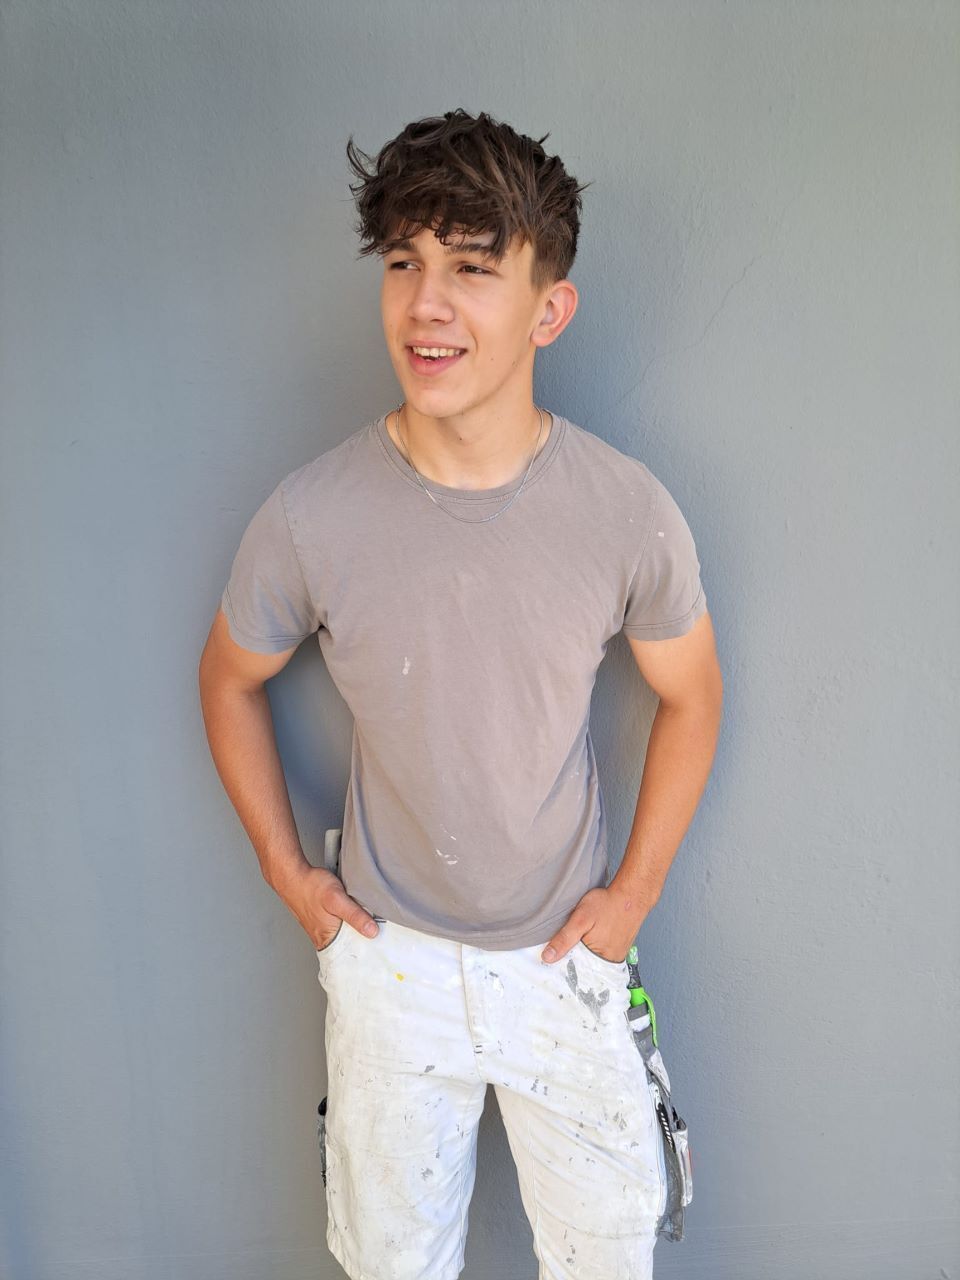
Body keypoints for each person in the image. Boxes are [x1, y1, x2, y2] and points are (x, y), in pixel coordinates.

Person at [198, 107, 723, 1280]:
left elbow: (694, 694)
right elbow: (229, 677)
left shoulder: (626, 509)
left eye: (473, 268)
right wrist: (291, 876)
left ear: (549, 309)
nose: (425, 304)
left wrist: (632, 897)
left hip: (566, 966)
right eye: (404, 263)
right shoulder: (312, 513)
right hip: (390, 968)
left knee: (605, 1262)